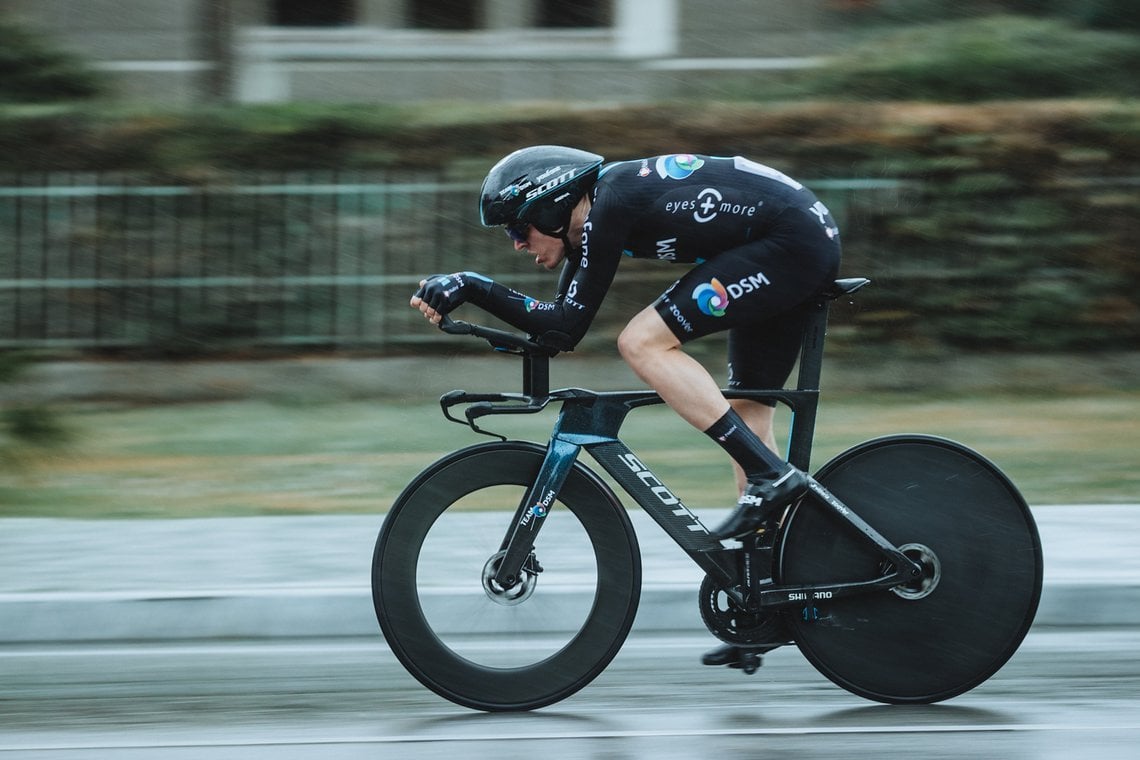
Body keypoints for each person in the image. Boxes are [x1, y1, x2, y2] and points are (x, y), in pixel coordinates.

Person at [410, 146, 841, 668]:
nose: (518, 243)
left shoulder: (610, 204)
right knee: (748, 412)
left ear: (550, 205)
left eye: (519, 229)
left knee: (642, 342)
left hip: (789, 243)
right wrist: (471, 309)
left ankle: (771, 475)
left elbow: (567, 325)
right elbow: (558, 327)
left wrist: (473, 284)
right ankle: (768, 601)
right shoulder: (600, 212)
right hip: (786, 242)